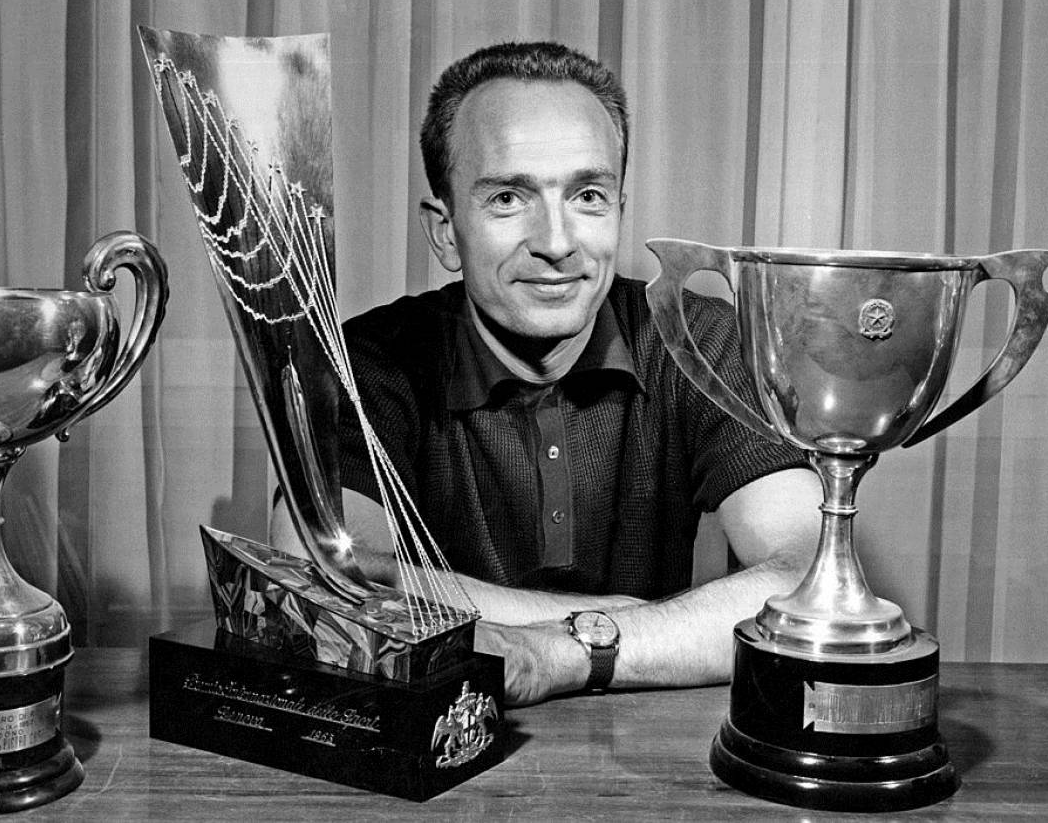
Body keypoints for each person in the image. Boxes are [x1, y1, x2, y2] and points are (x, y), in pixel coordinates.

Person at [276, 41, 821, 706]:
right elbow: (321, 581)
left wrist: (563, 650)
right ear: (445, 231)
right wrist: (642, 624)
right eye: (509, 198)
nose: (557, 243)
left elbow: (810, 587)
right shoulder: (369, 361)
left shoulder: (699, 339)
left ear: (619, 209)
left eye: (588, 196)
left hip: (651, 747)